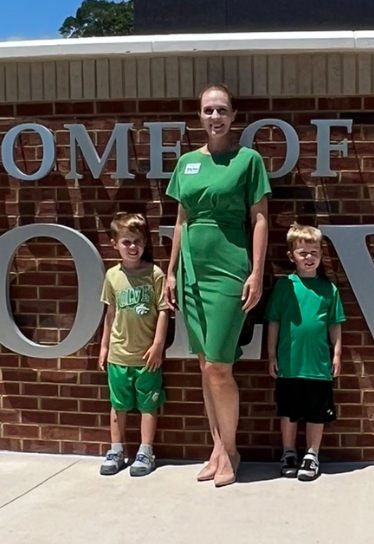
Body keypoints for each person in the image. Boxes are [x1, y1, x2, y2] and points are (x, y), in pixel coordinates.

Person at [165, 83, 272, 488]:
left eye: (222, 110)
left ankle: (231, 450)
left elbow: (259, 219)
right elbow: (181, 220)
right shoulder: (187, 162)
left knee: (220, 366)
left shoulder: (248, 160)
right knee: (204, 365)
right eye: (209, 110)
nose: (215, 117)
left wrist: (256, 272)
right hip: (191, 271)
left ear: (233, 116)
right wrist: (171, 271)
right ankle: (216, 448)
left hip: (229, 269)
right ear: (199, 116)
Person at [265, 224, 345, 481]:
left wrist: (337, 354)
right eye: (303, 253)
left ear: (321, 255)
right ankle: (289, 452)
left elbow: (335, 323)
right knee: (289, 412)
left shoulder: (329, 289)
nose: (309, 257)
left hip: (318, 365)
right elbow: (274, 322)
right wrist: (272, 355)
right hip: (289, 364)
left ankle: (312, 454)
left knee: (315, 413)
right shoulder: (284, 287)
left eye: (314, 252)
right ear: (292, 256)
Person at [97, 212, 171, 477]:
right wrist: (104, 347)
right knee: (119, 405)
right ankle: (116, 449)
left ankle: (145, 451)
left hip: (147, 356)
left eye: (137, 241)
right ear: (115, 244)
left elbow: (164, 310)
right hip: (119, 354)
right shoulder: (112, 276)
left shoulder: (155, 274)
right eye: (126, 241)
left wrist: (158, 345)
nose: (132, 246)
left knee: (148, 405)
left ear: (145, 242)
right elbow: (110, 313)